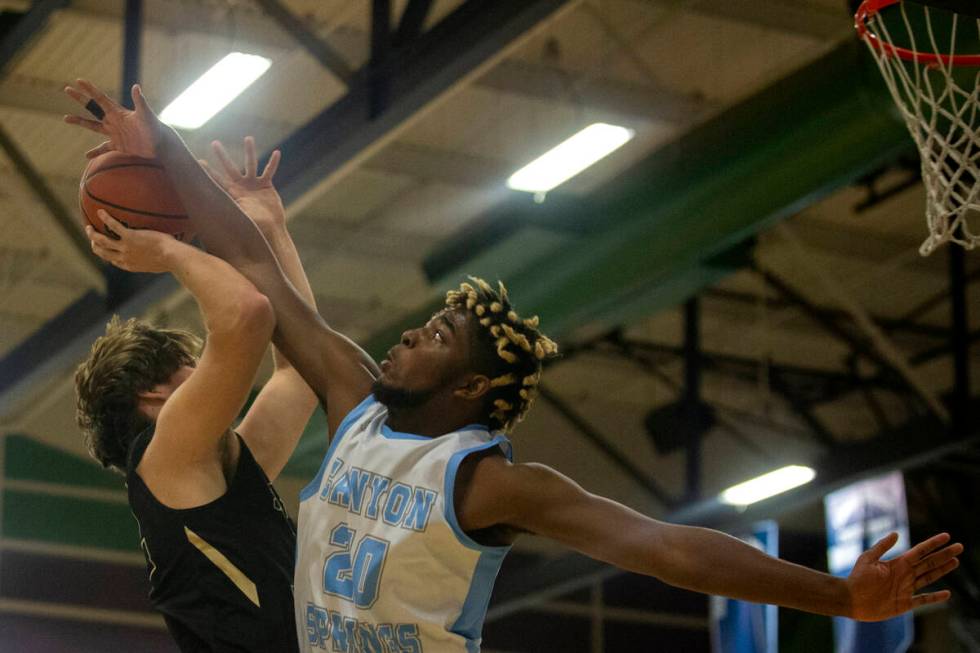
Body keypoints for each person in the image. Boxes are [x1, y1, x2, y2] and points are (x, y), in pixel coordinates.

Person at [65, 80, 964, 653]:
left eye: (437, 340)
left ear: (469, 391)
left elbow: (667, 548)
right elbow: (259, 276)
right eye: (424, 326)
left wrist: (839, 594)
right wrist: (168, 151)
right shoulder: (357, 402)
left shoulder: (485, 484)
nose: (410, 336)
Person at [73, 135, 318, 652]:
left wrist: (269, 229)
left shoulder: (214, 473)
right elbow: (247, 314)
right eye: (190, 364)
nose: (210, 367)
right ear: (154, 399)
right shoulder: (165, 458)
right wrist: (165, 247)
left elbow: (300, 371)